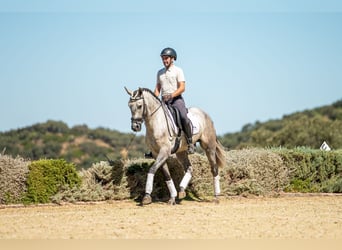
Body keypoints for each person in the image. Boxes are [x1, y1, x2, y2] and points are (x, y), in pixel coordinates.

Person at [154, 47, 195, 154]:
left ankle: (190, 143)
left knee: (183, 117)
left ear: (172, 58)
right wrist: (154, 100)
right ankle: (153, 148)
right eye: (163, 58)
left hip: (176, 100)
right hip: (164, 101)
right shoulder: (160, 73)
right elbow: (158, 89)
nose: (164, 60)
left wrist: (172, 95)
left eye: (166, 58)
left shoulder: (178, 71)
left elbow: (182, 88)